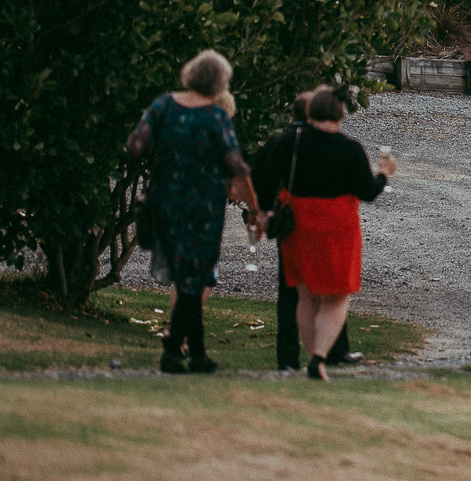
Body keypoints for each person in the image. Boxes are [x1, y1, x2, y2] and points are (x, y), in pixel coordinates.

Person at [124, 50, 265, 374]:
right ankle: (173, 351)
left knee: (187, 276)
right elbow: (237, 167)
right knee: (194, 277)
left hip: (165, 201)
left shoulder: (162, 105)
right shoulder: (216, 118)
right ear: (220, 84)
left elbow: (134, 146)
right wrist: (253, 208)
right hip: (202, 208)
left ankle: (198, 353)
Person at [282, 85, 395, 380]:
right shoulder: (349, 149)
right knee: (337, 296)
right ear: (340, 113)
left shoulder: (292, 143)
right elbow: (367, 192)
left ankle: (310, 356)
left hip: (300, 222)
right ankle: (319, 357)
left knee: (306, 294)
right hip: (337, 226)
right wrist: (383, 174)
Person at [250, 92, 357, 371]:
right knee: (333, 289)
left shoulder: (286, 141)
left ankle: (292, 357)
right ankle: (329, 351)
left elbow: (261, 174)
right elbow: (364, 187)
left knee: (297, 291)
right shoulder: (341, 146)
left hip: (293, 219)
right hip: (330, 222)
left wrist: (263, 211)